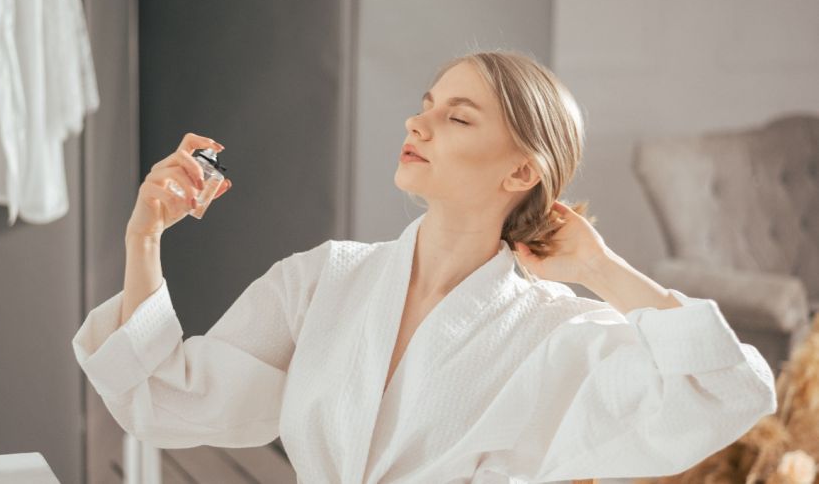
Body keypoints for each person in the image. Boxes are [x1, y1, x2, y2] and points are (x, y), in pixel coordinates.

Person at [72, 50, 777, 483]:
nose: (418, 124)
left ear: (521, 170)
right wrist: (144, 238)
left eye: (458, 117)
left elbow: (729, 390)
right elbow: (162, 397)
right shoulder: (325, 280)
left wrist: (602, 267)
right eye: (426, 106)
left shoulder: (558, 331)